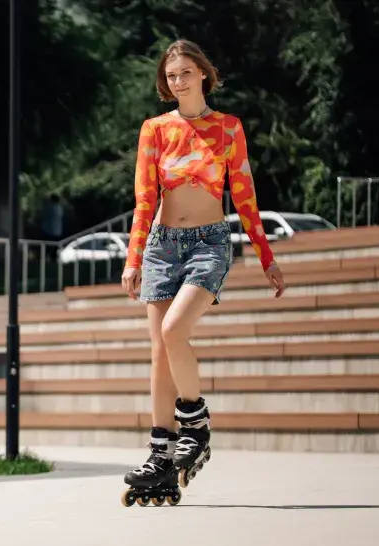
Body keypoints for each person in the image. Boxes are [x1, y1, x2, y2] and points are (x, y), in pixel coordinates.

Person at [120, 39, 286, 504]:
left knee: (174, 332)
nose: (178, 81)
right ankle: (161, 455)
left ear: (203, 75)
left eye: (186, 73)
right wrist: (134, 259)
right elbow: (144, 200)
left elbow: (246, 197)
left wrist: (266, 257)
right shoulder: (154, 129)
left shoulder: (227, 128)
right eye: (171, 76)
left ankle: (195, 423)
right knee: (159, 351)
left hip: (209, 243)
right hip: (160, 246)